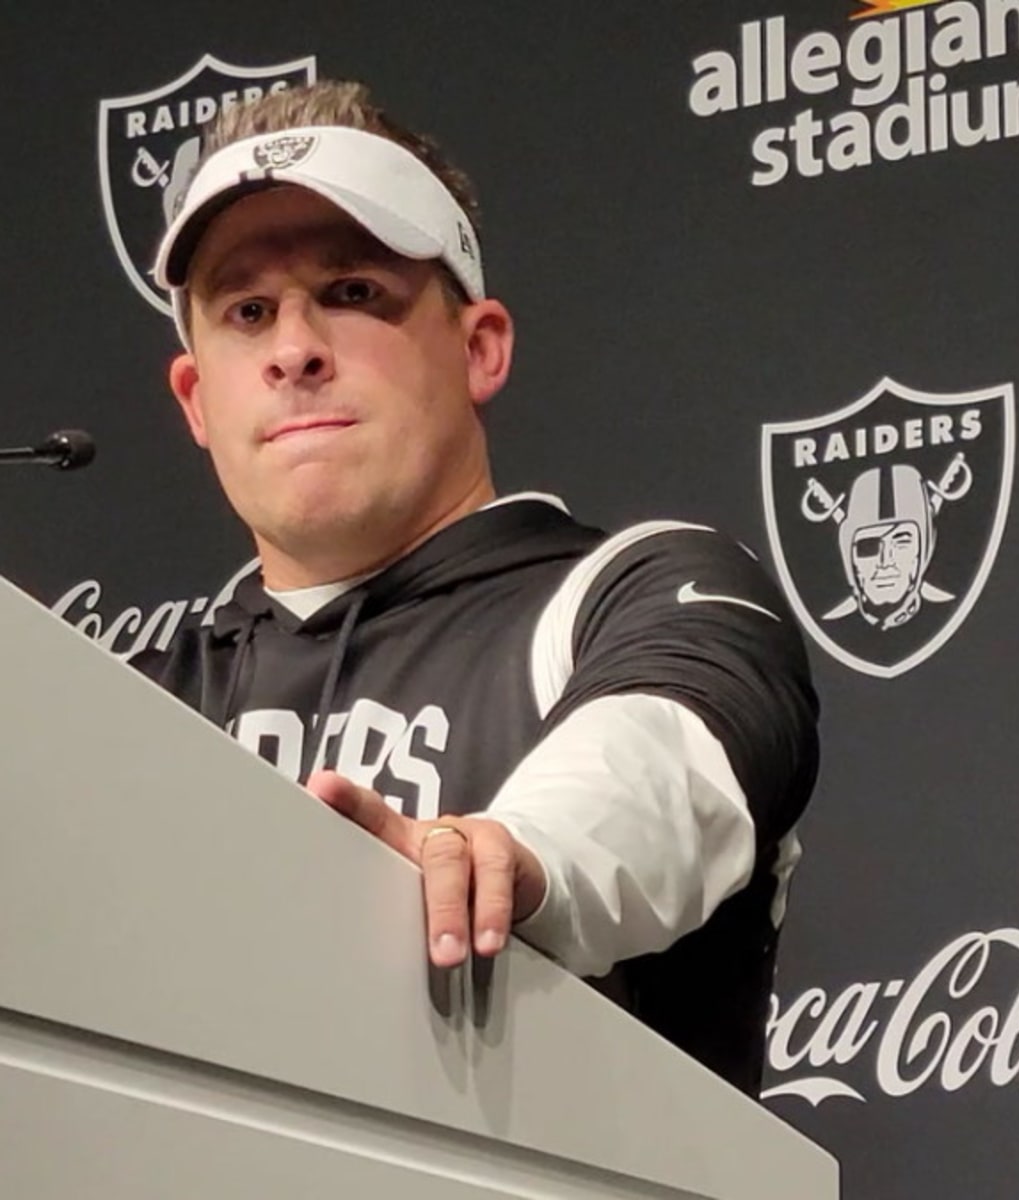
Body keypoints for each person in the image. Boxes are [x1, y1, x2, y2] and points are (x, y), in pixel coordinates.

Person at [133, 80, 819, 1095]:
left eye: (354, 292)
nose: (294, 351)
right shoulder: (126, 704)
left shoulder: (630, 589)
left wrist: (511, 852)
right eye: (246, 311)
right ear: (196, 398)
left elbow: (663, 759)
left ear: (480, 347)